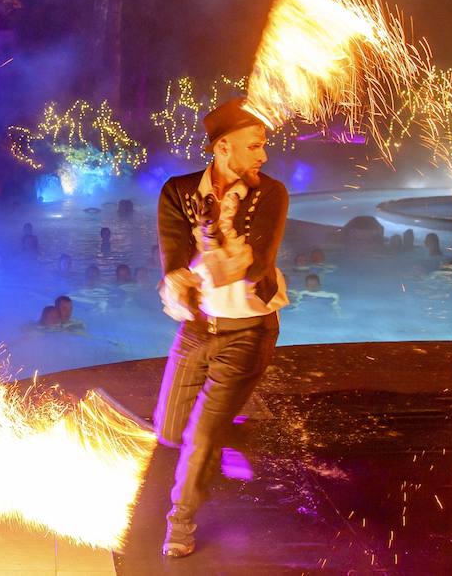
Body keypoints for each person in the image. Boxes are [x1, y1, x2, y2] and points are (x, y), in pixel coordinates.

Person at [153, 97, 289, 558]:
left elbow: (256, 266)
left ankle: (180, 521)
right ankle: (225, 433)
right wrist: (178, 280)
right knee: (170, 430)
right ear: (223, 147)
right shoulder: (178, 191)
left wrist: (213, 238)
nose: (263, 155)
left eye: (263, 145)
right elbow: (173, 258)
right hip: (197, 329)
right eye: (255, 146)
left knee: (200, 435)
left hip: (249, 331)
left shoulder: (271, 194)